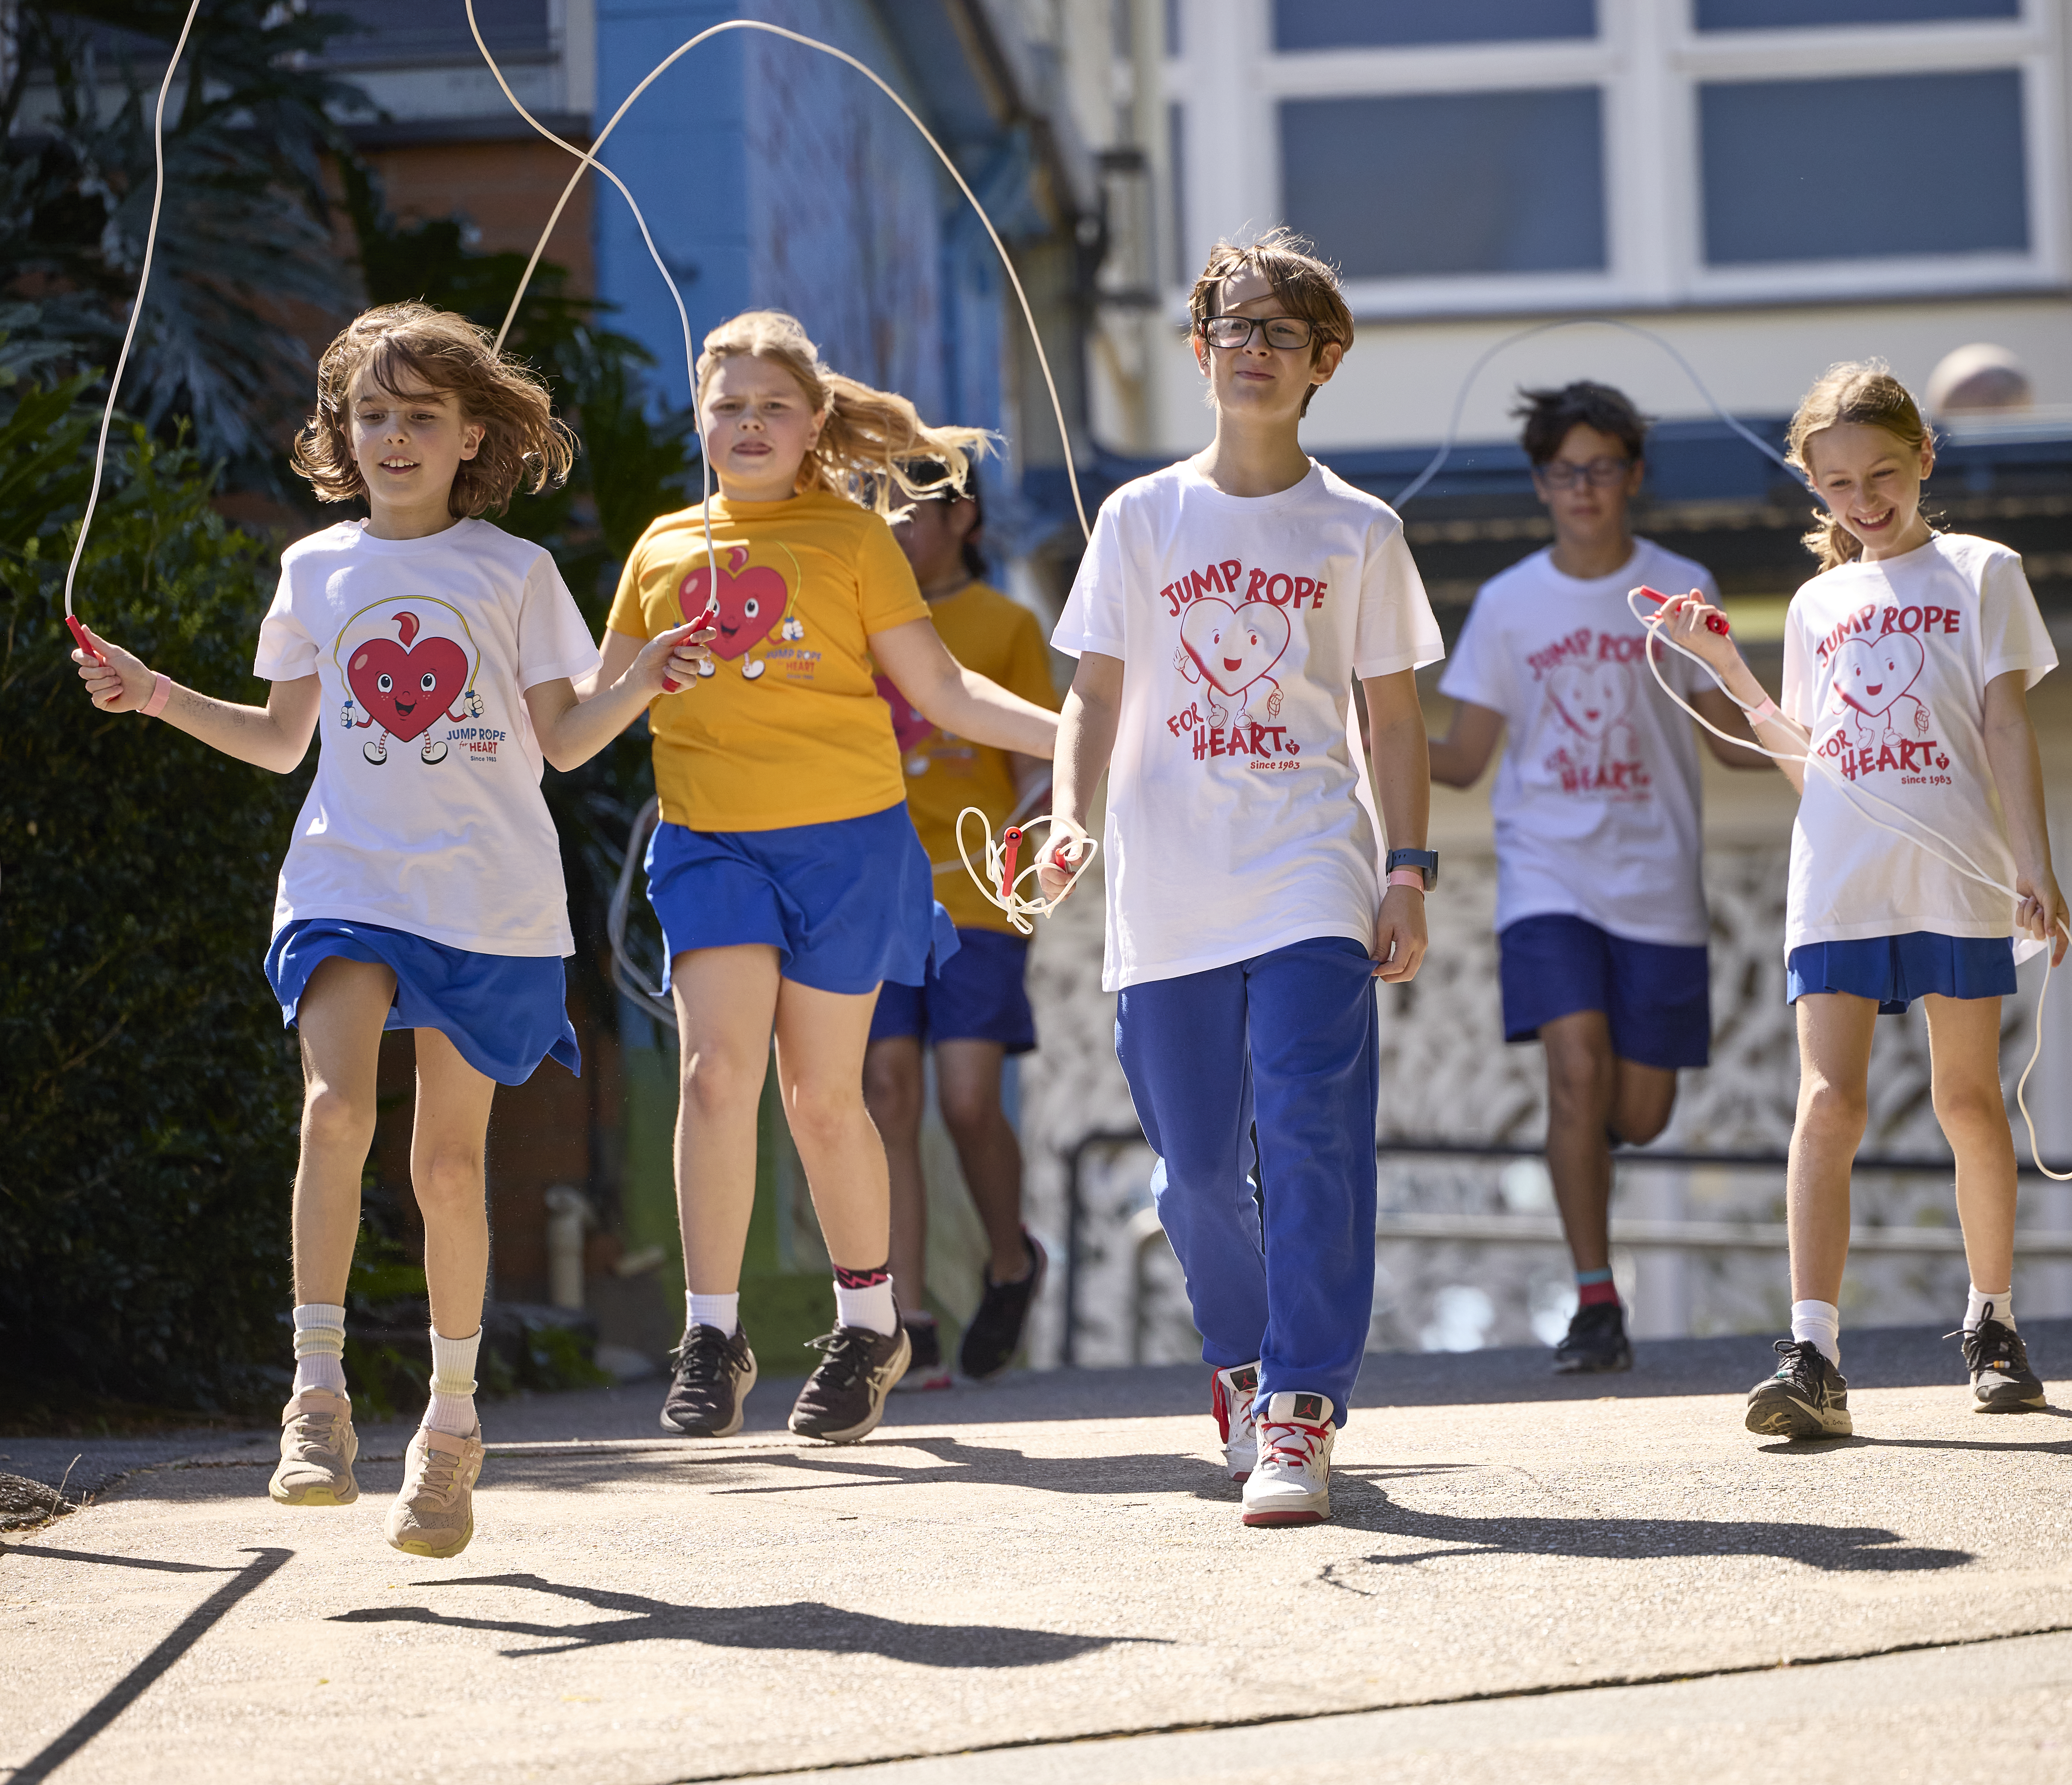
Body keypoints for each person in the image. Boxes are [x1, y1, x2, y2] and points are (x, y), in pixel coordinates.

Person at [67, 302, 700, 1556]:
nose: (393, 437)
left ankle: (452, 1428)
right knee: (335, 1111)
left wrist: (644, 678)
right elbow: (277, 737)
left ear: (475, 434)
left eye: (421, 416)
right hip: (347, 878)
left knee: (450, 1167)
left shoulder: (514, 574)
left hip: (485, 895)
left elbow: (565, 741)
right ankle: (315, 1395)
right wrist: (149, 694)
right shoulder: (316, 570)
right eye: (371, 414)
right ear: (339, 431)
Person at [595, 311, 1061, 1446]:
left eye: (772, 407)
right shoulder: (659, 550)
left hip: (850, 843)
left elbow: (946, 695)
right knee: (715, 1076)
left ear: (813, 426)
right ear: (700, 419)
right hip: (711, 840)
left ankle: (868, 1326)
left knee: (821, 1096)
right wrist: (641, 674)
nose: (748, 425)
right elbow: (569, 734)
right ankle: (713, 1335)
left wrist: (1089, 739)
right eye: (727, 406)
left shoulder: (854, 542)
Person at [1041, 230, 1441, 1527]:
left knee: (1310, 1131)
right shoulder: (1141, 515)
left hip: (1310, 875)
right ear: (1197, 351)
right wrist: (1066, 820)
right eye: (1233, 328)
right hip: (1167, 892)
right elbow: (1092, 693)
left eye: (1282, 332)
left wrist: (1407, 870)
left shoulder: (1359, 530)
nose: (1253, 351)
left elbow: (1389, 721)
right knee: (1196, 1172)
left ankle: (1302, 1405)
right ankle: (1241, 1361)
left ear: (1324, 361)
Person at [1662, 359, 2064, 1440]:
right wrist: (1728, 671)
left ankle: (1992, 1324)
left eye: (1882, 471)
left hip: (1955, 871)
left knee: (1967, 1100)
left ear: (1924, 456)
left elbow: (2006, 725)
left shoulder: (1982, 570)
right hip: (1837, 879)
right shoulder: (1814, 601)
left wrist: (2036, 862)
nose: (1864, 498)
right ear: (1814, 490)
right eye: (1836, 484)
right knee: (1826, 1104)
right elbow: (1810, 765)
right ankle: (1812, 1352)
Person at [1428, 380, 1768, 1377]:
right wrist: (1358, 741)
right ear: (1541, 483)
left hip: (1656, 879)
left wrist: (1822, 750)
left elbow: (1729, 729)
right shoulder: (1507, 604)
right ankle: (1595, 1297)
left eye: (1602, 469)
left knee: (1639, 1113)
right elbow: (1460, 758)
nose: (1583, 489)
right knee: (1572, 1071)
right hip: (1548, 877)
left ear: (1633, 477)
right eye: (1564, 472)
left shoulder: (1679, 583)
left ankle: (1592, 1184)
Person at [863, 456, 1058, 1388]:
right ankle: (908, 1318)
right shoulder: (856, 619)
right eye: (877, 510)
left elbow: (1042, 760)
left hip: (979, 894)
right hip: (873, 893)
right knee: (885, 1093)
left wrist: (1038, 847)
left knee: (967, 1099)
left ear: (964, 518)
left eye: (910, 510)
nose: (893, 527)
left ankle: (1010, 1263)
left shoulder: (1007, 624)